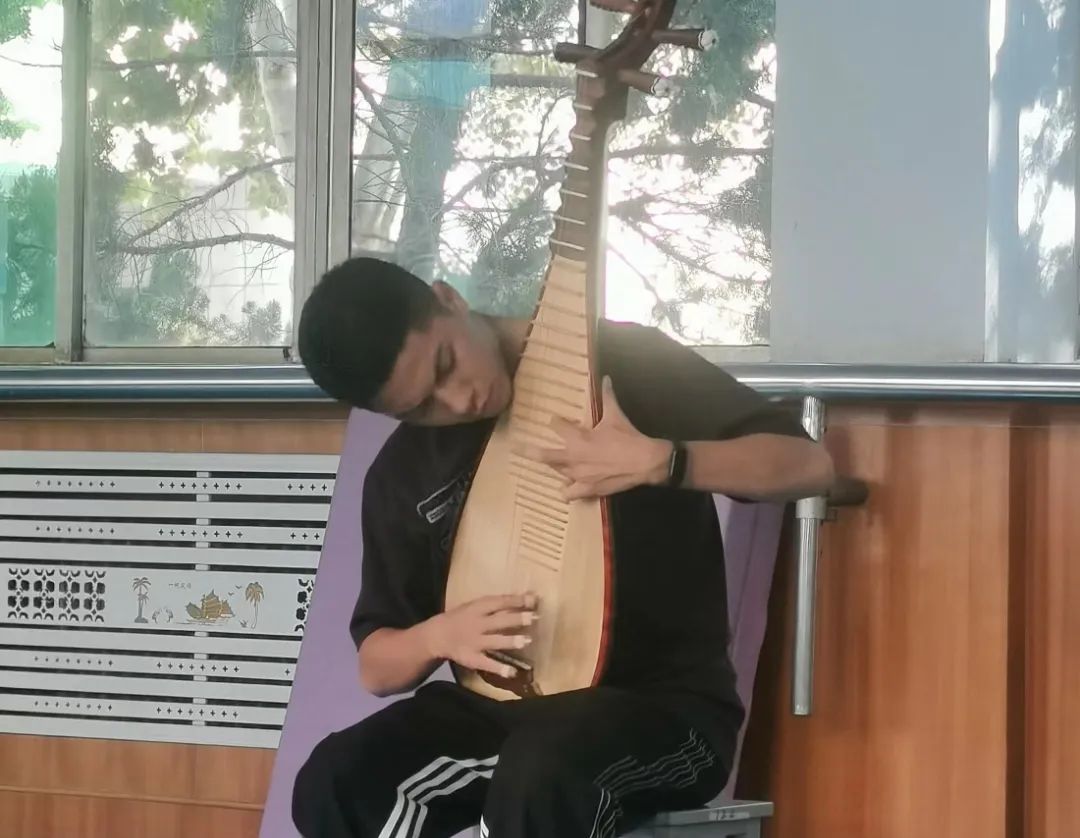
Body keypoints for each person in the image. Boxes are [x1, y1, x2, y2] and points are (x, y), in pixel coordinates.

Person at [290, 256, 835, 838]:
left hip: (666, 711)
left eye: (446, 365)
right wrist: (438, 636)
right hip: (499, 714)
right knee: (335, 783)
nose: (458, 401)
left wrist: (663, 460)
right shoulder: (404, 471)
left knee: (541, 774)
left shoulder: (621, 365)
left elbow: (810, 467)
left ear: (449, 299)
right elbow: (377, 665)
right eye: (421, 408)